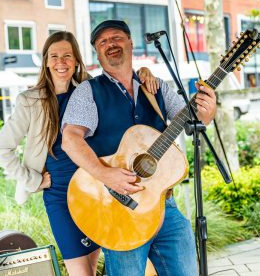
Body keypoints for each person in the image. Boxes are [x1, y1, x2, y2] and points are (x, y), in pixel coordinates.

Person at [0, 30, 159, 276]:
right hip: (60, 195)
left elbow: (121, 79)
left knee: (93, 266)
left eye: (67, 56)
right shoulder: (30, 100)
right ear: (46, 61)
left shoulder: (90, 88)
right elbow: (0, 149)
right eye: (54, 56)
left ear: (77, 60)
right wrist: (33, 180)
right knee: (81, 272)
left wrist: (144, 73)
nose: (61, 62)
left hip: (97, 189)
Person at [62, 20, 217, 275]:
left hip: (164, 205)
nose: (110, 44)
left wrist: (207, 114)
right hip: (119, 210)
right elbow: (70, 139)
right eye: (103, 42)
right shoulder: (88, 91)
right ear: (97, 53)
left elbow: (191, 122)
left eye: (117, 38)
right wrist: (106, 174)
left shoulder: (155, 87)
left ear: (131, 44)